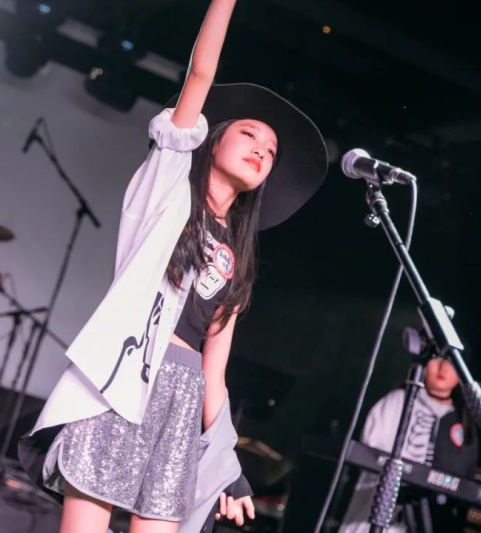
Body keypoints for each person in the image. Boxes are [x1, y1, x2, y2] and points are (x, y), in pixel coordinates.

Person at [18, 1, 328, 532]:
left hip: (182, 404)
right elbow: (201, 75)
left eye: (271, 151)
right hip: (123, 385)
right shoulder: (166, 192)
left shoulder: (238, 256)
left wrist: (228, 461)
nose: (261, 150)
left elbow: (215, 368)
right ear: (214, 136)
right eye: (249, 134)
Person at [339, 357, 479, 532]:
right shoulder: (398, 400)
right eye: (437, 358)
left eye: (451, 363)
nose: (443, 367)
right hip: (370, 519)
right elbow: (369, 455)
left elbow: (461, 483)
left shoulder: (462, 423)